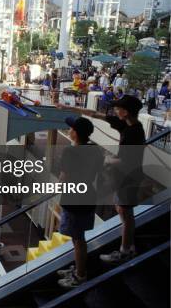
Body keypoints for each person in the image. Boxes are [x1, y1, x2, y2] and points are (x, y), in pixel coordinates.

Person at [57, 95, 145, 264]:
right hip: (126, 176)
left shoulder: (134, 132)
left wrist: (105, 160)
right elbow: (94, 114)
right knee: (123, 211)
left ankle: (125, 250)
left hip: (129, 177)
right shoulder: (126, 124)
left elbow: (128, 160)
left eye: (118, 108)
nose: (115, 110)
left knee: (124, 212)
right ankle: (128, 246)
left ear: (125, 112)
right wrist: (68, 108)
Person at [56, 117, 104, 288]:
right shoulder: (96, 150)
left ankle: (80, 275)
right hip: (88, 196)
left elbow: (64, 176)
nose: (69, 130)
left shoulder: (70, 152)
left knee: (78, 239)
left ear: (75, 133)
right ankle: (78, 268)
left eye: (71, 129)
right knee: (79, 237)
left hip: (73, 198)